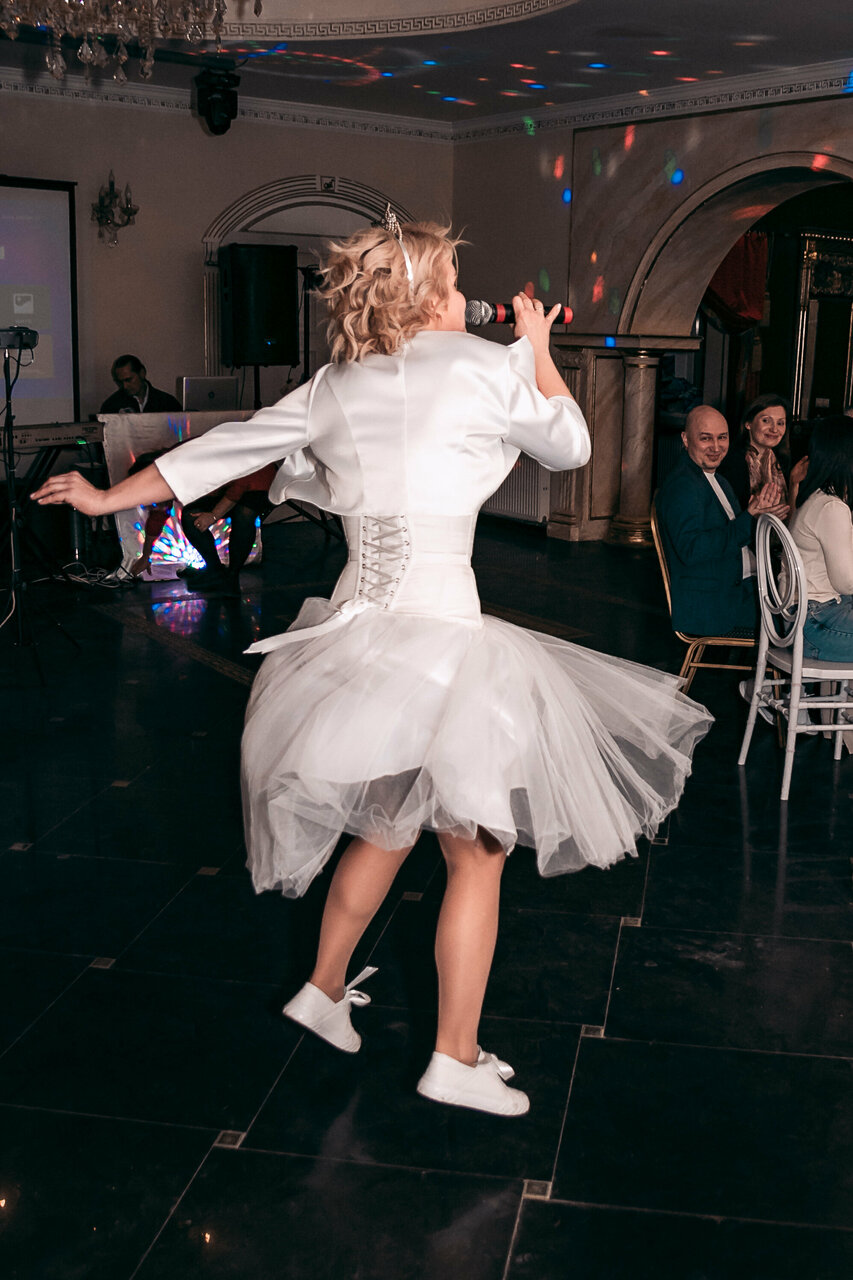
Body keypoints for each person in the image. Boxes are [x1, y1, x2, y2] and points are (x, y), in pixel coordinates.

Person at [34, 217, 711, 1118]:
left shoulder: (338, 382)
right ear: (430, 293)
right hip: (443, 642)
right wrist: (539, 351)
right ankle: (454, 1057)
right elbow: (572, 445)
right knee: (478, 853)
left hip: (357, 647)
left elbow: (225, 447)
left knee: (389, 824)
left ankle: (322, 989)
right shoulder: (477, 365)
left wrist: (104, 497)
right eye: (453, 279)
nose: (463, 292)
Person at [656, 405, 787, 636]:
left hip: (735, 588)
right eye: (706, 438)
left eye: (722, 438)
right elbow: (692, 550)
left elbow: (730, 535)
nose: (716, 447)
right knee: (797, 623)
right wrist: (749, 518)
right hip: (714, 605)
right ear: (685, 439)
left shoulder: (716, 479)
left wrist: (760, 518)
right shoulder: (683, 486)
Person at [789, 415, 853, 661]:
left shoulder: (813, 497)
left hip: (801, 618)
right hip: (816, 625)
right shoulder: (831, 508)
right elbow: (846, 583)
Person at [718, 392, 808, 512]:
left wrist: (793, 483)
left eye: (780, 423)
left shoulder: (783, 461)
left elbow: (791, 516)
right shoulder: (731, 462)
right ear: (748, 423)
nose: (774, 429)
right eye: (766, 421)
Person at [99, 354, 181, 415]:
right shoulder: (111, 405)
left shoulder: (167, 403)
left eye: (128, 380)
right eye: (120, 382)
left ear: (142, 373)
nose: (125, 386)